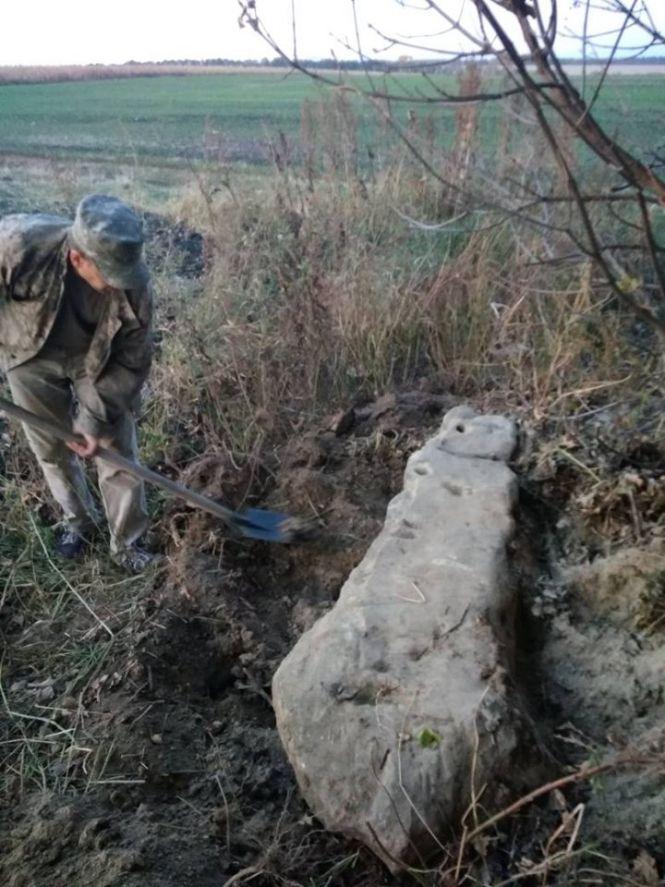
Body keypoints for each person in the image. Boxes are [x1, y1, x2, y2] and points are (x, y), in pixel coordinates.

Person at [0, 194, 155, 573]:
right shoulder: (16, 246)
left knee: (117, 451)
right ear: (78, 258)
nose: (121, 284)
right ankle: (80, 524)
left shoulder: (133, 280)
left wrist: (94, 418)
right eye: (110, 276)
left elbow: (133, 357)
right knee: (51, 449)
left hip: (96, 361)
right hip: (27, 354)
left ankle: (128, 545)